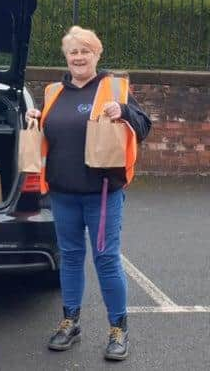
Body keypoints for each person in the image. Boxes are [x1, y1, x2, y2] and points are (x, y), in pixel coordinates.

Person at [26, 26, 151, 361]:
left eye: (85, 51)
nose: (79, 57)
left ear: (98, 54)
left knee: (106, 259)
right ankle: (71, 321)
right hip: (63, 193)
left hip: (102, 192)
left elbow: (144, 125)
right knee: (69, 257)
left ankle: (118, 329)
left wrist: (123, 112)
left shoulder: (114, 87)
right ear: (65, 57)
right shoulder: (53, 91)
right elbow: (49, 135)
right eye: (73, 52)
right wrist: (35, 118)